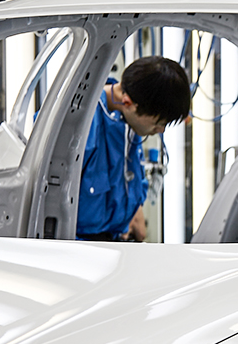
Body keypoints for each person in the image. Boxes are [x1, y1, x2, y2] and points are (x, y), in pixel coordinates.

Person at [77, 56, 190, 241]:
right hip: (81, 250)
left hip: (116, 242)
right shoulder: (79, 125)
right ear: (128, 103)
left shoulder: (128, 121)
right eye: (158, 124)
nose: (160, 131)